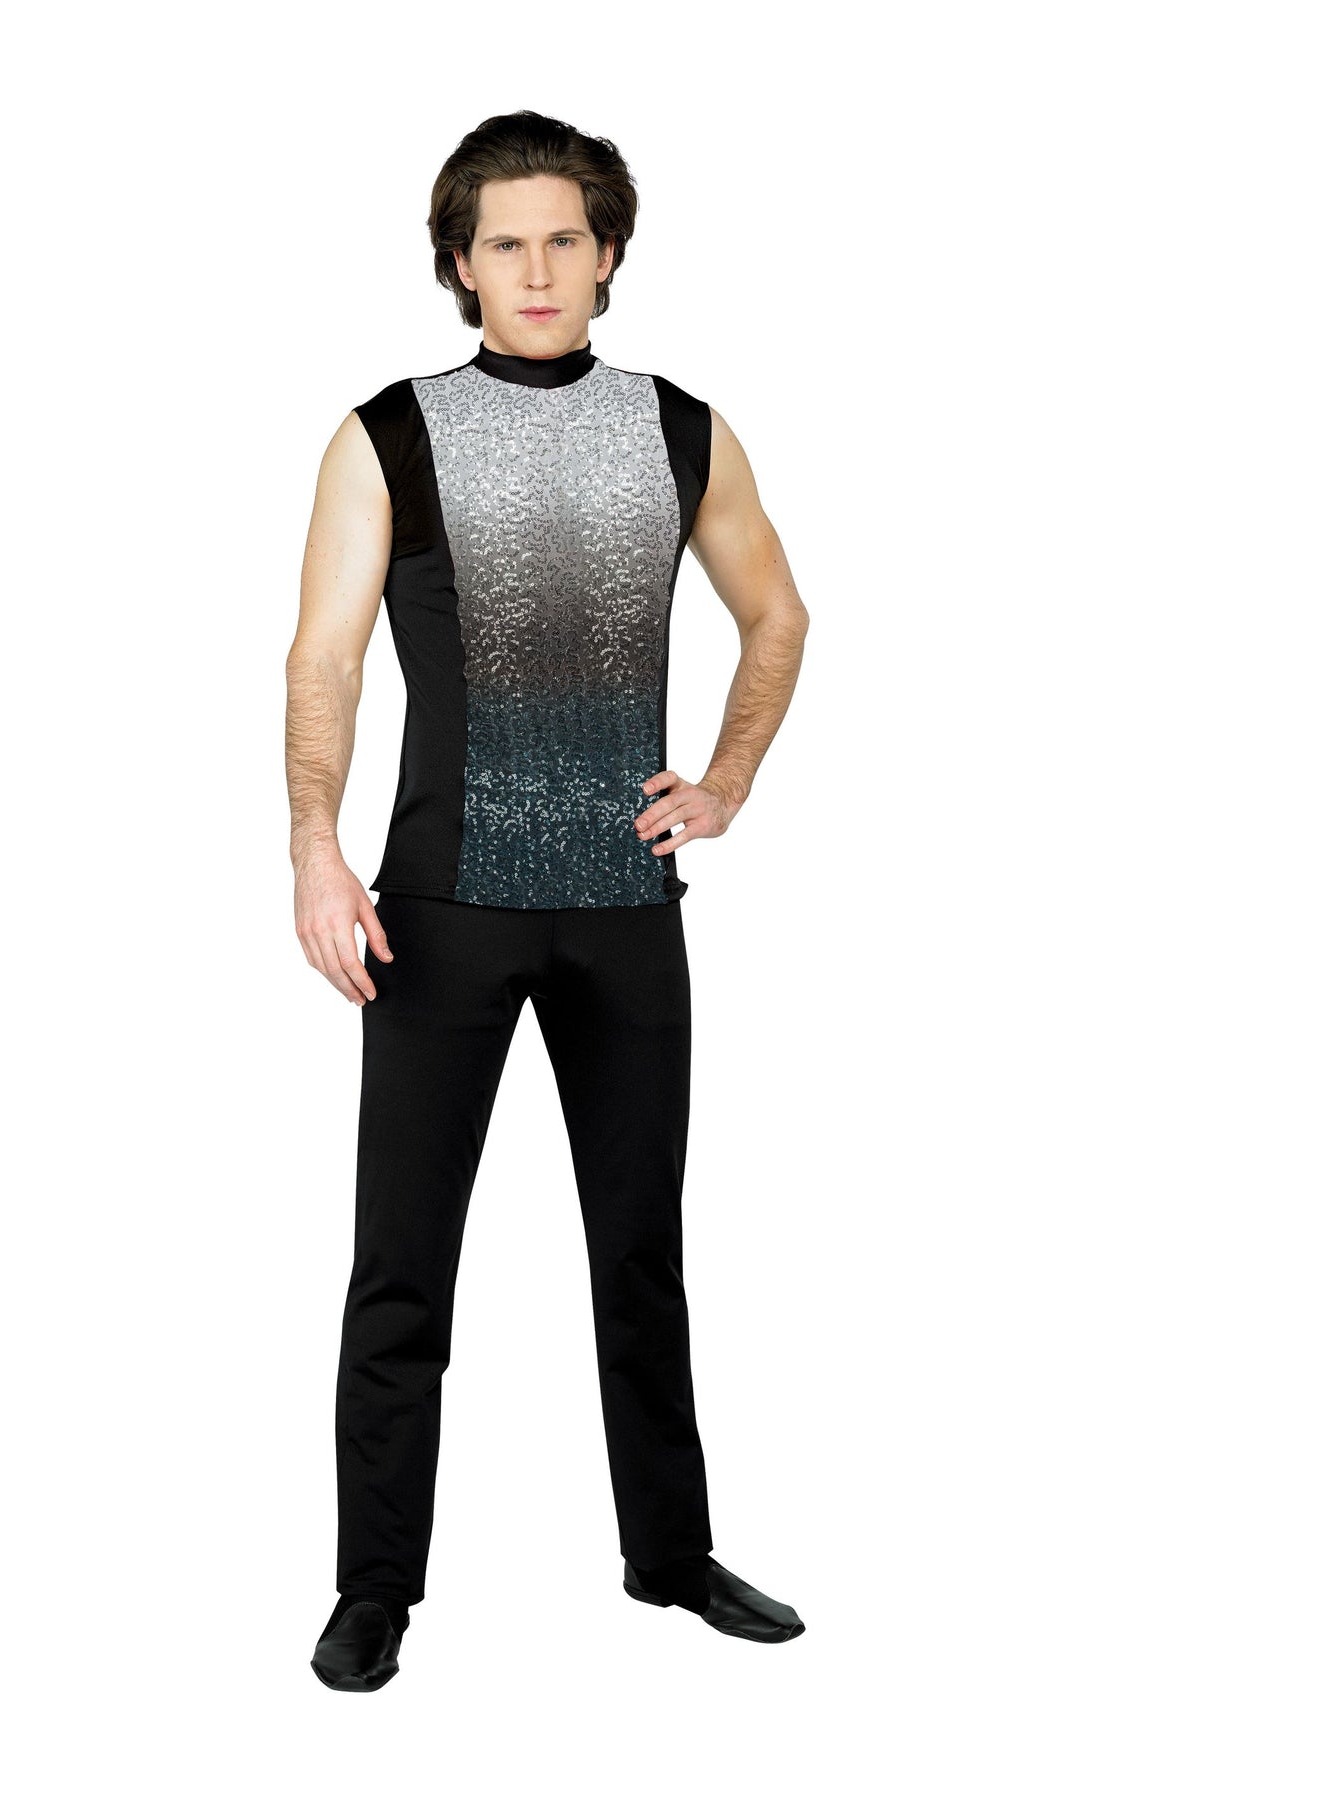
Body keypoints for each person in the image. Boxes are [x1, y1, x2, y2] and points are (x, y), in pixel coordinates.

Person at [286, 110, 811, 1692]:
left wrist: (725, 780)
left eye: (564, 240)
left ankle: (672, 1555)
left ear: (607, 254)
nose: (536, 270)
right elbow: (323, 657)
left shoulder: (682, 429)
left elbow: (779, 614)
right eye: (504, 244)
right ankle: (375, 1589)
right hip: (440, 905)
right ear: (460, 264)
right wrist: (315, 846)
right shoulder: (388, 434)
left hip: (625, 905)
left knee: (641, 1248)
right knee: (403, 1265)